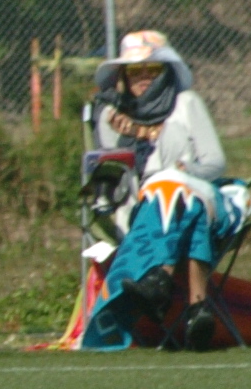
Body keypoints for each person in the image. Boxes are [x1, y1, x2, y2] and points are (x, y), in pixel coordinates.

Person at [79, 29, 231, 351]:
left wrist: (184, 173)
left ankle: (159, 281)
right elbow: (115, 177)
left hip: (198, 193)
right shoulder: (113, 116)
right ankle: (197, 310)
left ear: (166, 72)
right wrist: (121, 133)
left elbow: (215, 163)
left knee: (175, 189)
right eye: (135, 71)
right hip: (142, 209)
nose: (144, 77)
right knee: (176, 201)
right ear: (123, 76)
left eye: (153, 69)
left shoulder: (186, 104)